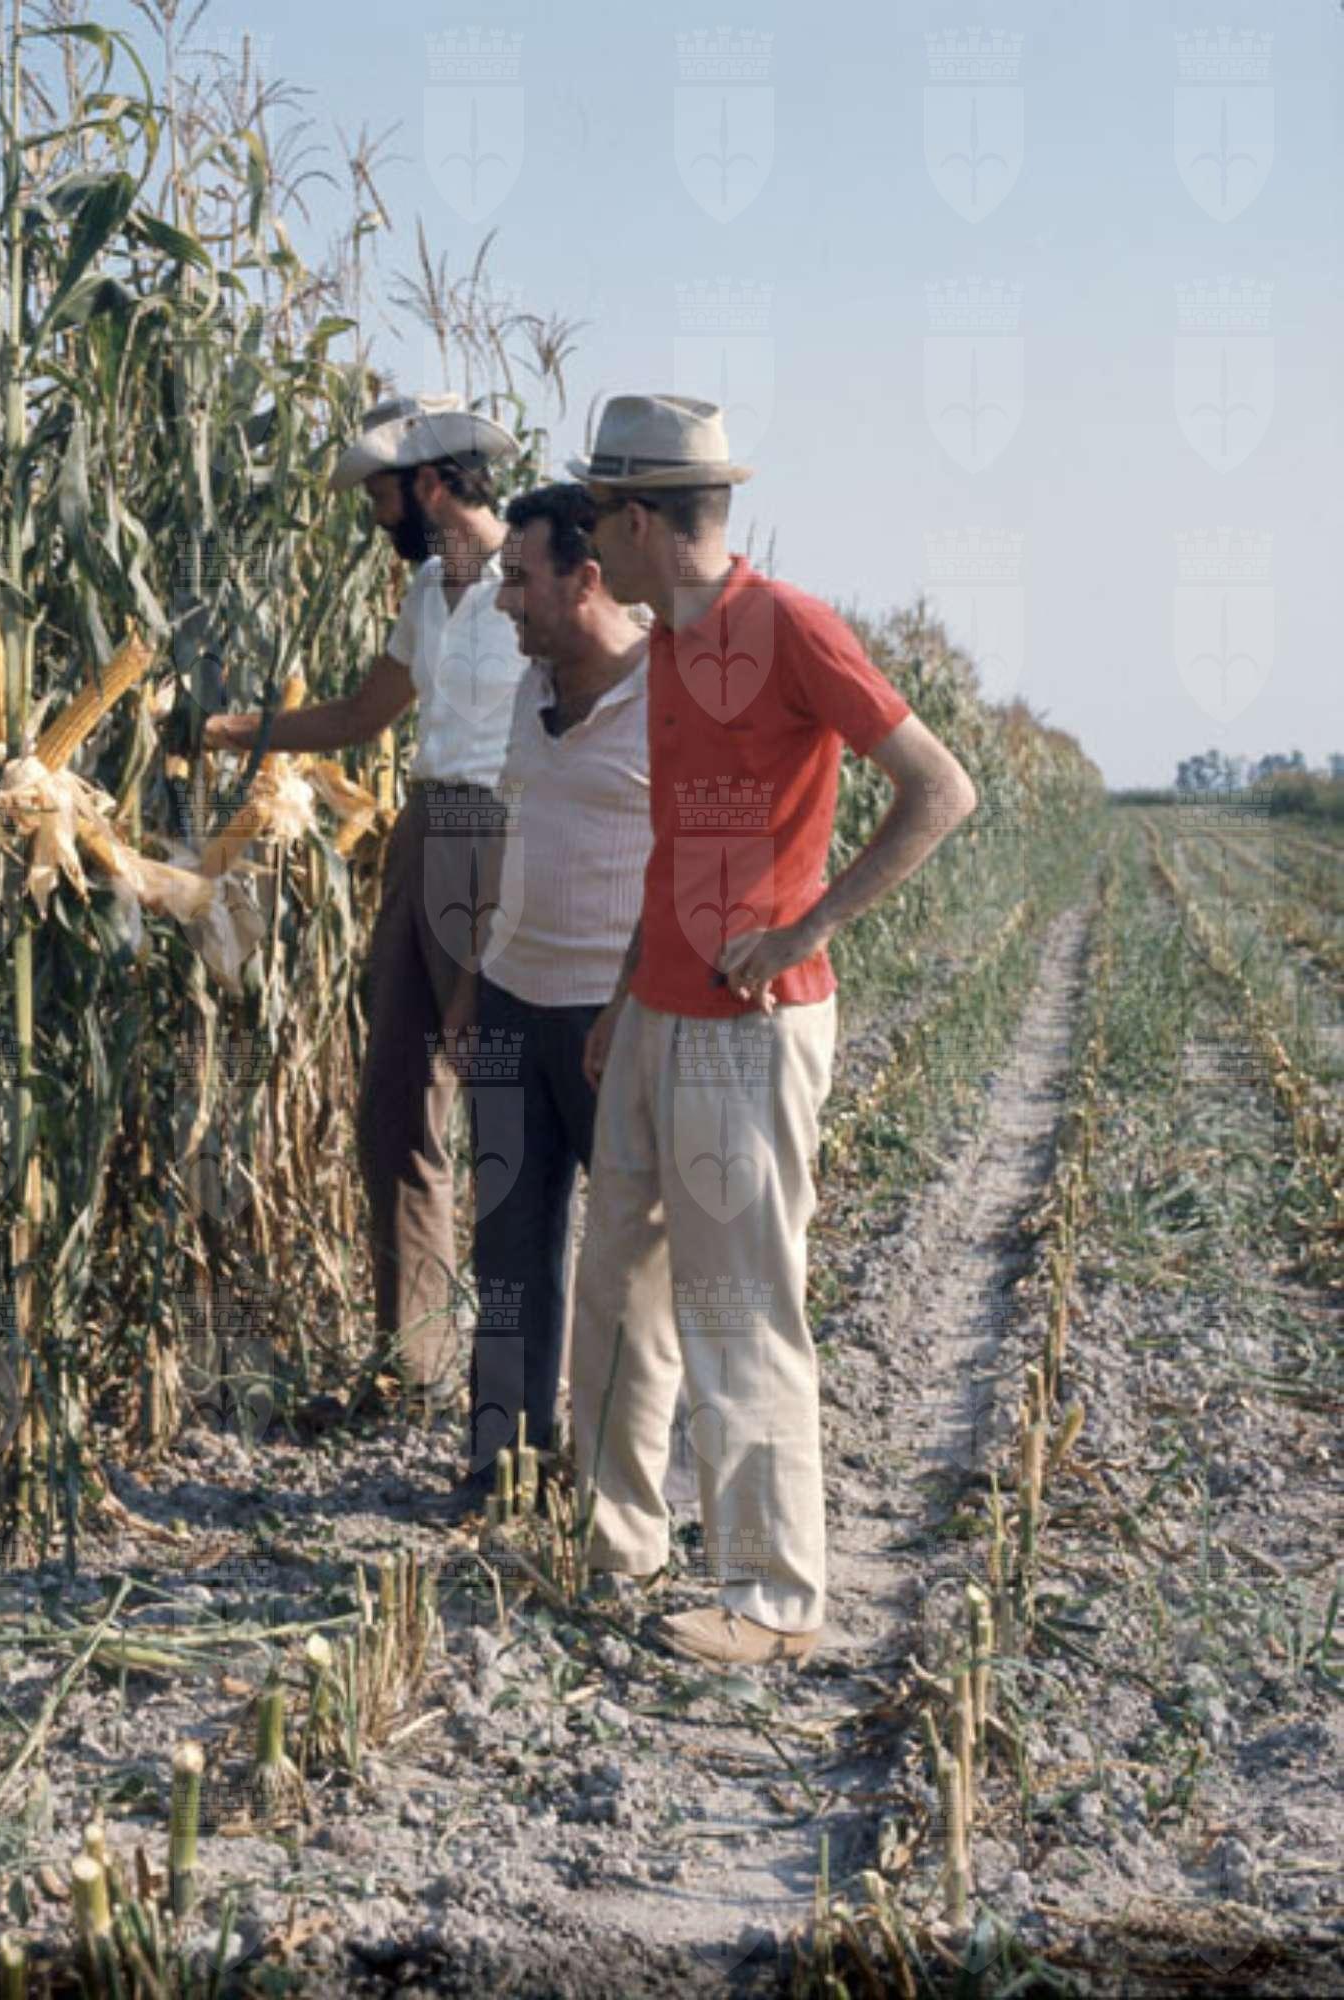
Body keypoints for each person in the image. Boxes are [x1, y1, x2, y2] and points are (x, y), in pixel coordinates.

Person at [565, 395, 978, 1667]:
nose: (588, 542)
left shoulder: (789, 626)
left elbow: (940, 788)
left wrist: (806, 927)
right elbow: (675, 845)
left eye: (596, 516)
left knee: (737, 1300)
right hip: (657, 1010)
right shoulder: (669, 645)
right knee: (614, 1288)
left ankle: (772, 1598)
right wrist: (626, 992)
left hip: (749, 1027)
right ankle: (616, 1545)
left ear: (641, 519)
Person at [202, 393, 528, 1410]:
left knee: (505, 1104)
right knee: (395, 1097)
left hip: (506, 837)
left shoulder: (541, 577)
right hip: (424, 830)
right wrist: (228, 731)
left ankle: (522, 1367)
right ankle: (415, 1361)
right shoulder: (428, 591)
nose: (375, 516)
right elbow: (359, 716)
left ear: (427, 484)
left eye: (380, 495)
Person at [433, 482, 656, 1520]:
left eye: (520, 579)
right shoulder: (529, 690)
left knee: (626, 1266)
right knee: (508, 1249)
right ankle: (502, 1468)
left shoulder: (668, 690)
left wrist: (631, 1003)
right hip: (512, 1000)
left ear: (586, 578)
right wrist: (471, 982)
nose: (504, 600)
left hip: (613, 1017)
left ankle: (620, 1486)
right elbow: (509, 843)